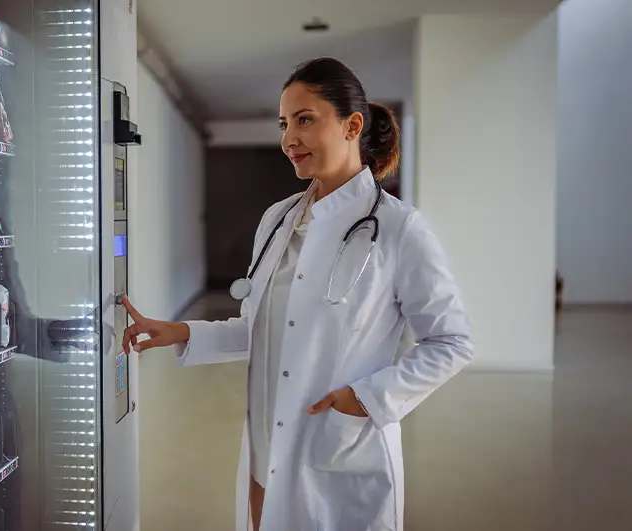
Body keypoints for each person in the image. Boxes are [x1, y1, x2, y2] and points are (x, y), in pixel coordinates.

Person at [120, 57, 473, 531]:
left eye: (305, 120)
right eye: (284, 123)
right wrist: (180, 330)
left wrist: (367, 398)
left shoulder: (398, 228)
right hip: (267, 441)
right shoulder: (278, 220)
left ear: (352, 125)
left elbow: (451, 342)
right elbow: (265, 327)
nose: (289, 139)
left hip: (337, 446)